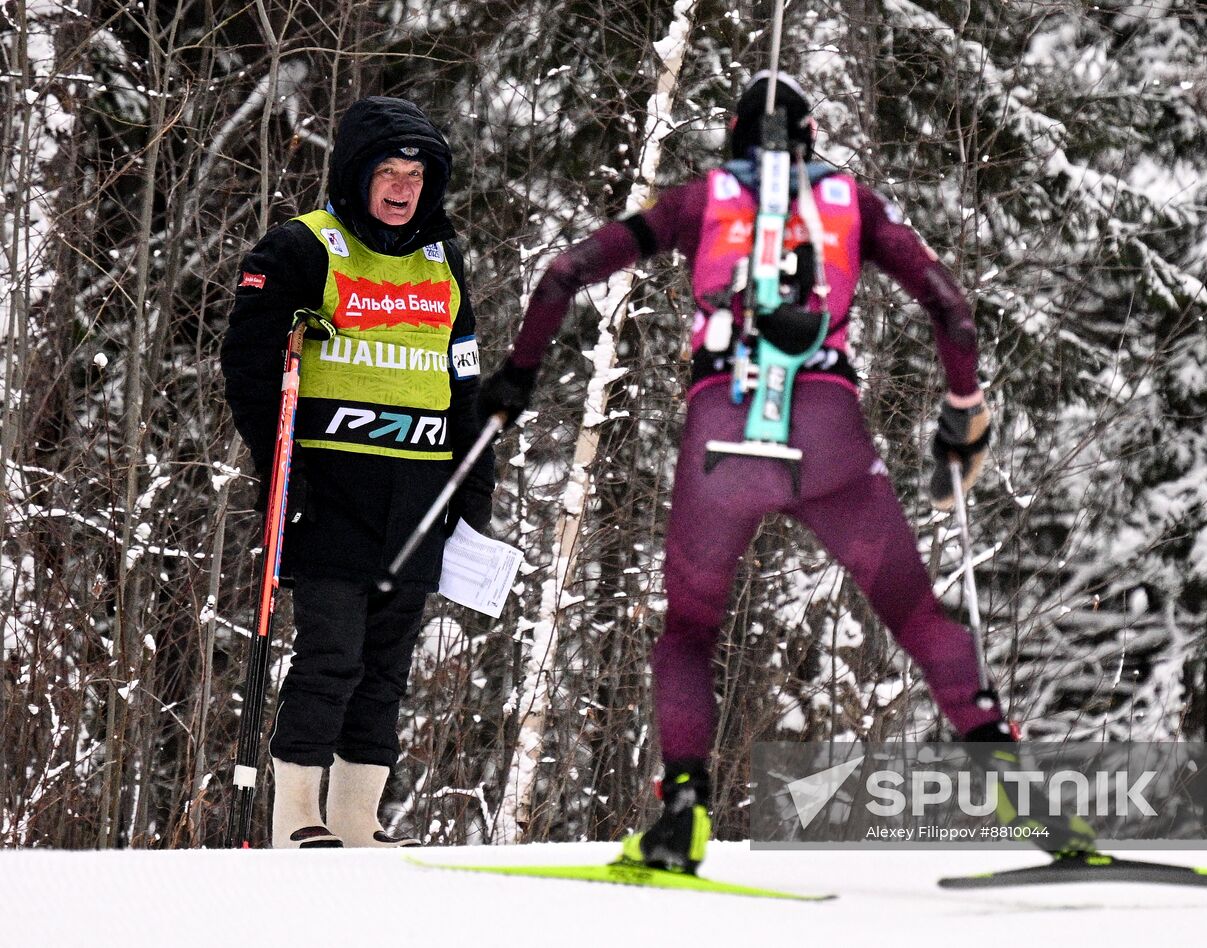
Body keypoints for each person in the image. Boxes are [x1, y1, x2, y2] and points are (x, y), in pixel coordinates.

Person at [477, 73, 1092, 872]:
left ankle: (683, 815)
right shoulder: (854, 203)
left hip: (724, 437)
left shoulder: (699, 199)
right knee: (917, 615)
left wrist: (518, 377)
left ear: (735, 134)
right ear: (810, 136)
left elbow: (563, 273)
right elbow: (952, 310)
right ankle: (1026, 801)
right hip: (828, 438)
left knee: (690, 633)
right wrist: (962, 406)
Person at [221, 96, 495, 849]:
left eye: (417, 174)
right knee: (331, 657)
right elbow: (247, 368)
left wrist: (476, 481)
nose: (404, 188)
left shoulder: (444, 259)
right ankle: (295, 820)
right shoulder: (302, 248)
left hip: (418, 495)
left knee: (385, 668)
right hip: (332, 493)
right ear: (357, 174)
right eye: (389, 172)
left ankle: (354, 823)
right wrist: (282, 468)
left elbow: (462, 378)